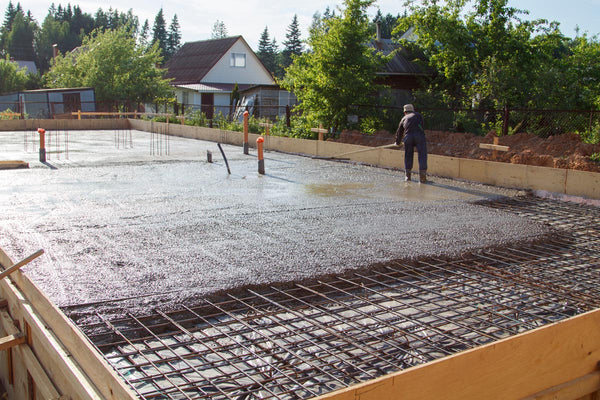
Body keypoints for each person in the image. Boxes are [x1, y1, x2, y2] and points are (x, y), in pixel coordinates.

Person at [395, 104, 428, 183]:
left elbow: (399, 132)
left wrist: (397, 142)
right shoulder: (419, 115)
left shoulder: (404, 118)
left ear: (405, 112)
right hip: (419, 136)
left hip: (408, 137)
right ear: (413, 110)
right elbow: (422, 126)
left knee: (408, 155)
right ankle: (422, 177)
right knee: (422, 155)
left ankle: (407, 176)